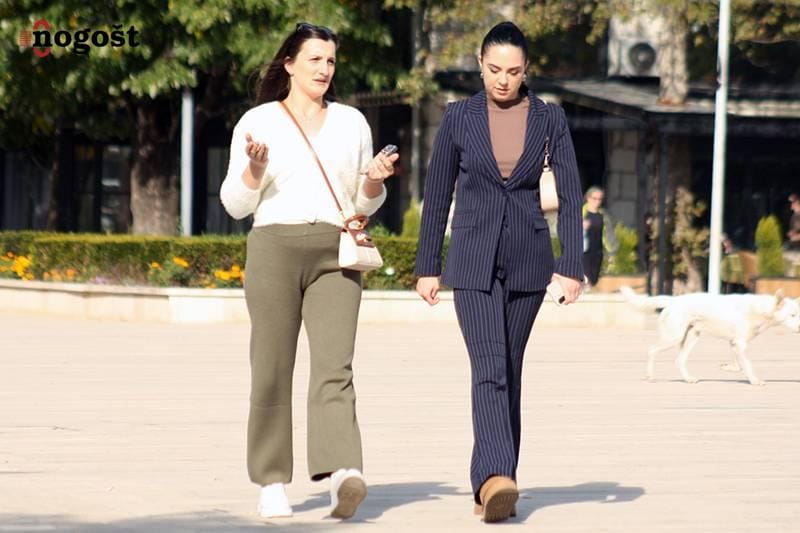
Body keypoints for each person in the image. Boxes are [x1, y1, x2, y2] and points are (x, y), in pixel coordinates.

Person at [219, 22, 399, 520]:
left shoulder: (351, 122)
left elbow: (363, 203)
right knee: (271, 368)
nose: (324, 69)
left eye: (331, 61)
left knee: (336, 367)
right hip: (273, 249)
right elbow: (235, 204)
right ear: (290, 64)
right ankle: (271, 480)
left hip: (334, 253)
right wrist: (255, 170)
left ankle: (343, 471)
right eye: (315, 59)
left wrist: (373, 181)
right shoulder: (258, 121)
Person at [414, 21, 584, 523]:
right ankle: (496, 478)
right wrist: (428, 266)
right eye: (494, 70)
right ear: (479, 65)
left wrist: (570, 266)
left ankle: (490, 483)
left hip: (530, 261)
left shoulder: (550, 119)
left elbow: (571, 195)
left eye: (512, 71)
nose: (503, 80)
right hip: (472, 262)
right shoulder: (458, 117)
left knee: (508, 368)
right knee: (489, 366)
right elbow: (437, 194)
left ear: (526, 69)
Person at [581, 186, 617, 288]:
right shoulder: (581, 214)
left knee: (594, 279)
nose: (597, 201)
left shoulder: (603, 215)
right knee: (586, 278)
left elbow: (609, 234)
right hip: (583, 251)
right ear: (588, 198)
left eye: (600, 199)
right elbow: (570, 229)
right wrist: (581, 227)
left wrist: (611, 253)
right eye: (594, 198)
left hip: (597, 251)